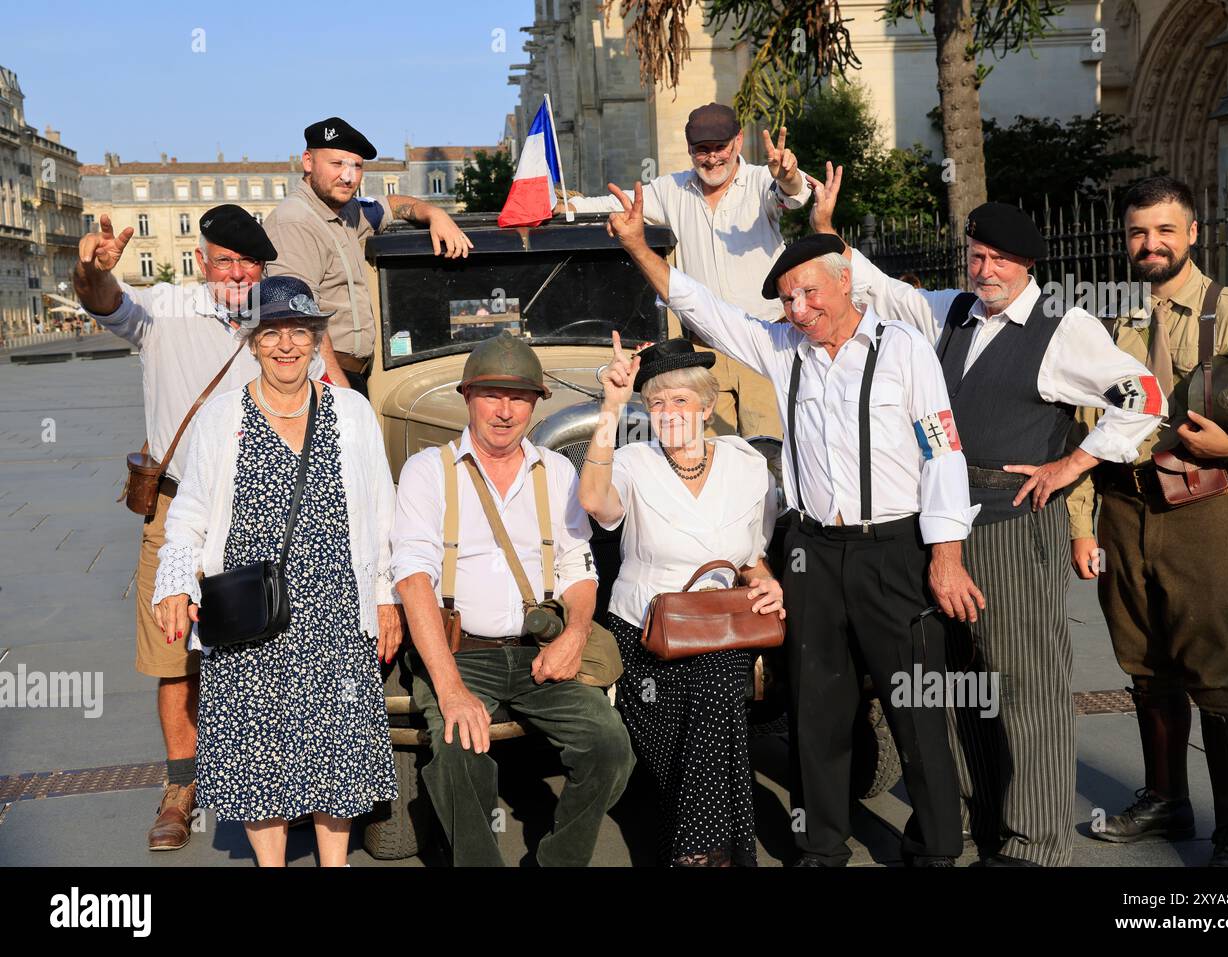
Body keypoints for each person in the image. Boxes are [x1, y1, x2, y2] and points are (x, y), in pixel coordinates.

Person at [607, 180, 985, 867]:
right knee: (817, 704)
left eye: (808, 294)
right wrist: (637, 244)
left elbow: (943, 453)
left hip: (894, 549)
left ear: (846, 284)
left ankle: (935, 845)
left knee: (914, 704)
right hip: (812, 548)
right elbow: (702, 307)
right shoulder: (783, 349)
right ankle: (820, 843)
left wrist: (947, 553)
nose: (797, 309)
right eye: (785, 299)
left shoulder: (903, 348)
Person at [811, 165, 1168, 865]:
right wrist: (824, 229)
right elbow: (878, 287)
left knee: (1024, 684)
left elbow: (1145, 394)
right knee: (954, 683)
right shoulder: (948, 310)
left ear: (1028, 263)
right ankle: (972, 820)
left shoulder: (1063, 328)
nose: (985, 268)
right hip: (939, 524)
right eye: (976, 255)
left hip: (1014, 525)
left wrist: (1077, 461)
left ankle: (1037, 842)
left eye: (999, 258)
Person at [73, 205, 326, 851]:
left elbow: (323, 391)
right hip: (176, 508)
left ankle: (277, 777)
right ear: (203, 256)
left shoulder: (276, 318)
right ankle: (181, 790)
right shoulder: (165, 310)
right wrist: (92, 272)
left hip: (260, 514)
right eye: (225, 260)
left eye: (250, 263)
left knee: (268, 650)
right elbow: (106, 304)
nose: (238, 274)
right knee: (176, 657)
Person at [1069, 177, 1228, 866]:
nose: (1152, 244)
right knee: (1144, 666)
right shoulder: (1108, 320)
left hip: (1202, 507)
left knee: (1218, 674)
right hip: (1121, 508)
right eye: (1139, 232)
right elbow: (1082, 425)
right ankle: (1167, 800)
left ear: (1192, 233)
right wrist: (1082, 525)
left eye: (1166, 230)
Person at [150, 276, 401, 866]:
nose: (285, 345)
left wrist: (386, 595)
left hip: (337, 614)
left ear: (317, 339)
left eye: (299, 331)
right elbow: (187, 516)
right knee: (261, 754)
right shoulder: (222, 418)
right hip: (251, 620)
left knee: (338, 750)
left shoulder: (352, 413)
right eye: (271, 333)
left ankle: (334, 864)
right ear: (252, 341)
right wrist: (175, 584)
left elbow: (384, 513)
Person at [391, 332, 635, 866]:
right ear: (467, 396)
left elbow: (578, 568)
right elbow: (413, 581)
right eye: (491, 395)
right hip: (459, 655)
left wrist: (574, 635)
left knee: (609, 749)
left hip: (536, 652)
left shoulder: (558, 472)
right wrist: (451, 689)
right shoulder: (427, 471)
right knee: (460, 754)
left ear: (536, 403)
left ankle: (557, 862)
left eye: (519, 397)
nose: (504, 411)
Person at [578, 334, 784, 866]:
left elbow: (751, 558)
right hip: (647, 628)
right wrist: (610, 408)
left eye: (680, 401)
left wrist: (769, 581)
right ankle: (725, 850)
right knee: (683, 756)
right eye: (656, 403)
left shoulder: (746, 467)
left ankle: (698, 856)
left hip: (719, 628)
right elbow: (593, 501)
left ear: (708, 406)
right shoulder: (629, 462)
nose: (667, 413)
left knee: (712, 694)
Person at [562, 103, 810, 440]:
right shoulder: (671, 189)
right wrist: (564, 206)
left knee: (771, 456)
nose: (711, 158)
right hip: (704, 351)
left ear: (738, 141)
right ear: (690, 149)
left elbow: (794, 194)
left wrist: (788, 175)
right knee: (709, 456)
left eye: (719, 147)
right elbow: (613, 205)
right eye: (701, 150)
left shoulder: (760, 180)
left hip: (765, 344)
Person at [263, 116, 472, 394]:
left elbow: (394, 205)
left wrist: (436, 214)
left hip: (360, 372)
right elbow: (299, 317)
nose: (348, 177)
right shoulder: (295, 221)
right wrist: (340, 392)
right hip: (321, 376)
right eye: (337, 164)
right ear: (308, 162)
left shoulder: (349, 211)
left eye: (357, 166)